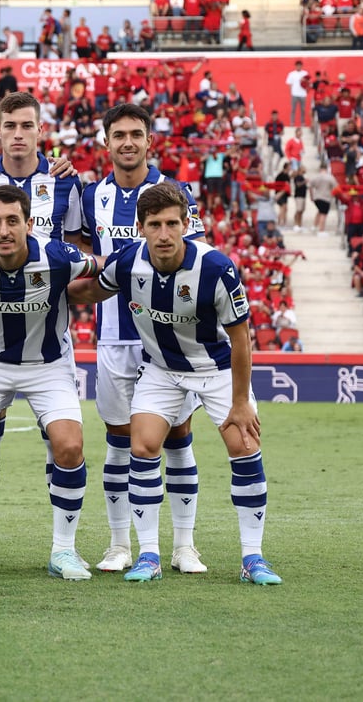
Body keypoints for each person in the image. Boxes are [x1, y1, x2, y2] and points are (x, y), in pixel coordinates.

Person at [70, 182, 281, 585]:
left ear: (186, 224)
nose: (164, 234)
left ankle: (253, 558)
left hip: (215, 368)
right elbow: (88, 292)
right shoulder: (128, 262)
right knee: (143, 445)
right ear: (141, 227)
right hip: (162, 369)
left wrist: (240, 403)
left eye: (171, 224)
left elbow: (241, 339)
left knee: (244, 444)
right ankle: (148, 553)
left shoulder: (217, 267)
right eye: (154, 225)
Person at [63, 103, 207, 575]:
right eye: (119, 134)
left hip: (169, 339)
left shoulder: (175, 193)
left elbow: (201, 257)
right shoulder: (90, 197)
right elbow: (81, 253)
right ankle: (119, 544)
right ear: (107, 143)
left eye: (136, 134)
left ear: (150, 141)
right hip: (114, 339)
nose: (128, 142)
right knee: (120, 441)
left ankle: (185, 545)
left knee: (178, 438)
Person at [0, 185, 100, 579]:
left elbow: (106, 271)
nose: (4, 230)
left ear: (29, 224)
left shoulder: (59, 257)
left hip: (48, 364)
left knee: (69, 445)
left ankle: (64, 550)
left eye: (13, 221)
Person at [0, 91, 82, 564]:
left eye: (28, 125)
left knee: (66, 444)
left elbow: (88, 256)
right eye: (11, 126)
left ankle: (64, 552)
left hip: (49, 348)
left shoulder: (66, 181)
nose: (19, 134)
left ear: (40, 130)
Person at [285, 60, 309, 129]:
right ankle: (292, 123)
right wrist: (291, 92)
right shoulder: (292, 74)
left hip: (303, 94)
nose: (298, 67)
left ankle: (302, 123)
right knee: (293, 109)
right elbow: (289, 83)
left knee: (303, 109)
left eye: (300, 65)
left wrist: (304, 80)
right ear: (295, 66)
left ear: (301, 66)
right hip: (294, 94)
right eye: (297, 65)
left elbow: (308, 82)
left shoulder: (305, 73)